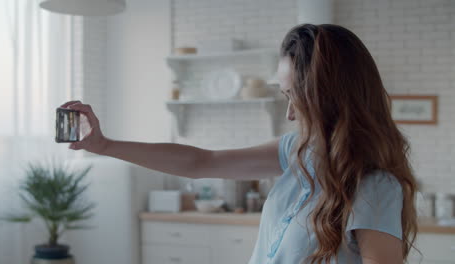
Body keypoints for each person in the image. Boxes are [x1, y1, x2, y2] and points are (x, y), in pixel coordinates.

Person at [60, 24, 418, 264]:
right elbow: (203, 162)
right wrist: (105, 145)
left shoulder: (375, 187)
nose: (291, 113)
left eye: (297, 97)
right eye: (284, 97)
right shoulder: (295, 151)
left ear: (330, 97)